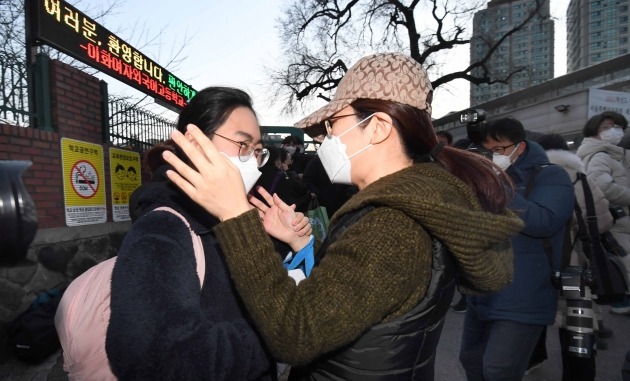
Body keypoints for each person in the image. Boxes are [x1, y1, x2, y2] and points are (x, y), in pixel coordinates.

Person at [162, 52, 524, 381]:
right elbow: (356, 294)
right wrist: (304, 243)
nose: (326, 139)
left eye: (334, 124)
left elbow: (297, 334)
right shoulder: (412, 207)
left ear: (379, 127)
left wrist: (235, 216)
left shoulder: (392, 224)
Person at [105, 87, 311, 380]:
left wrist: (293, 243)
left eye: (257, 151)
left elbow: (283, 294)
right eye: (242, 145)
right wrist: (272, 335)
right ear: (195, 143)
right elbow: (153, 359)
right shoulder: (163, 230)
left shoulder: (238, 220)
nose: (252, 161)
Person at [460, 118, 575, 381]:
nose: (492, 156)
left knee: (499, 370)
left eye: (499, 150)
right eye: (486, 151)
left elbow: (544, 221)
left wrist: (496, 183)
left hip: (525, 295)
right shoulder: (480, 179)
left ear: (520, 147)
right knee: (471, 362)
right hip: (483, 293)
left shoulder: (550, 175)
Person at [531, 132, 615, 379]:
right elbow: (602, 223)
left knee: (534, 316)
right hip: (572, 267)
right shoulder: (581, 180)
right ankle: (579, 374)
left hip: (537, 263)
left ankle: (533, 359)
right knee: (577, 325)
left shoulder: (531, 178)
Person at [575, 111, 630, 316]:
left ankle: (620, 302)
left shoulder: (614, 154)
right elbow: (602, 187)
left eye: (617, 127)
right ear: (593, 130)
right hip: (616, 221)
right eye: (605, 127)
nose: (613, 131)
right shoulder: (600, 155)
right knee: (621, 266)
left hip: (621, 222)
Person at [253, 146, 312, 213]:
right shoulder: (284, 176)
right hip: (280, 214)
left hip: (258, 212)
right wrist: (290, 172)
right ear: (276, 160)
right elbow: (302, 189)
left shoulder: (253, 175)